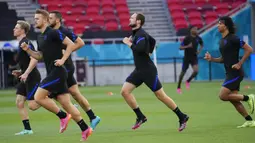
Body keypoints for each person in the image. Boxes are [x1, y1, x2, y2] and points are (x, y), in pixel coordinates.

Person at [20, 9, 92, 141]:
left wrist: (63, 60)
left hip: (58, 72)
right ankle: (85, 129)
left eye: (37, 19)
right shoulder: (39, 36)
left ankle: (63, 116)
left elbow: (70, 44)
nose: (34, 21)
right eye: (34, 18)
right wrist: (28, 50)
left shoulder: (53, 32)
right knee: (66, 104)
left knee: (38, 97)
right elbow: (40, 56)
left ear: (45, 20)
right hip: (52, 72)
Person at [121, 13, 189, 131]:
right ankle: (140, 116)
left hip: (148, 71)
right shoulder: (137, 33)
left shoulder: (141, 34)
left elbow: (141, 49)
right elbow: (153, 41)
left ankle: (182, 116)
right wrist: (150, 51)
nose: (129, 19)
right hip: (139, 70)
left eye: (132, 18)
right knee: (125, 92)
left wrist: (129, 43)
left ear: (138, 21)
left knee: (161, 96)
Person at [48, 10, 100, 130]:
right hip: (64, 66)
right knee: (76, 94)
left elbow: (80, 43)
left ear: (57, 20)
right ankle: (93, 117)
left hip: (65, 67)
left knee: (46, 94)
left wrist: (66, 53)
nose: (48, 20)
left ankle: (70, 110)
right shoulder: (52, 32)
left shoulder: (64, 31)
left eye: (50, 18)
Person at [204, 16, 255, 128]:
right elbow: (223, 59)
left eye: (220, 23)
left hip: (235, 73)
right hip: (229, 73)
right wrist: (211, 59)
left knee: (223, 96)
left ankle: (248, 97)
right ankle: (249, 120)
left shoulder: (233, 38)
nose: (218, 25)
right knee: (234, 100)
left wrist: (239, 63)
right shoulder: (222, 41)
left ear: (226, 25)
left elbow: (249, 49)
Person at [12, 20, 41, 135]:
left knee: (33, 106)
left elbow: (34, 59)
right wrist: (21, 72)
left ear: (22, 30)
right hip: (25, 76)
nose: (14, 29)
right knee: (19, 102)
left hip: (32, 77)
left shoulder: (26, 42)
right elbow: (26, 62)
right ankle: (28, 129)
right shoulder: (20, 43)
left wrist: (26, 73)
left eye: (16, 27)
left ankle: (55, 97)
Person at [177, 26, 203, 94]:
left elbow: (202, 44)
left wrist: (199, 51)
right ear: (191, 30)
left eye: (196, 29)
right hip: (186, 58)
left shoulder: (198, 38)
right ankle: (178, 87)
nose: (196, 30)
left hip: (194, 57)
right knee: (182, 73)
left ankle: (188, 81)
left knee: (196, 71)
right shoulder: (187, 38)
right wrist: (187, 46)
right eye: (194, 29)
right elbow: (180, 47)